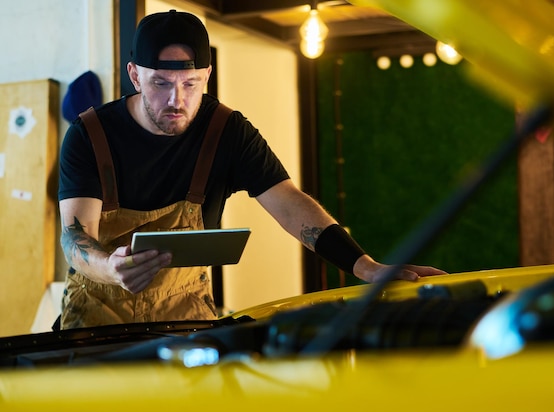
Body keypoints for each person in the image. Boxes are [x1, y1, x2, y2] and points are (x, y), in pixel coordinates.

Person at [57, 9, 446, 330]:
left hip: (185, 319)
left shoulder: (227, 131)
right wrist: (110, 267)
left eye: (190, 84)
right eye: (160, 83)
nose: (176, 100)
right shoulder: (89, 135)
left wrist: (365, 267)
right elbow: (75, 239)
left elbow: (289, 202)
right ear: (134, 75)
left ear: (207, 77)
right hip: (94, 320)